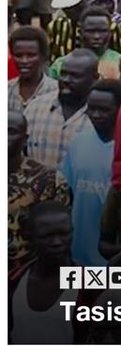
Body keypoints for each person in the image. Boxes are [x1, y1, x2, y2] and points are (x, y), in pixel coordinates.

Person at [61, 79, 121, 266]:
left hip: (116, 259)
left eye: (104, 110)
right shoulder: (78, 143)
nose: (96, 115)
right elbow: (68, 194)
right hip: (78, 256)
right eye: (92, 109)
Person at [8, 201, 87, 345]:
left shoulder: (87, 283)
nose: (57, 242)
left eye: (63, 234)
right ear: (30, 237)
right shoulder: (13, 282)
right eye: (47, 236)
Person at [8, 109, 72, 269]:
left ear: (25, 139)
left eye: (10, 131)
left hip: (26, 272)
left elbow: (60, 240)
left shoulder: (49, 180)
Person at [24, 48, 98, 170]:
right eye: (63, 73)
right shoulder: (35, 108)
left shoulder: (102, 115)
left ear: (95, 79)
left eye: (75, 76)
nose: (66, 80)